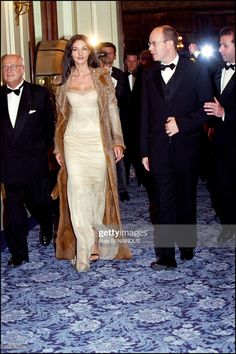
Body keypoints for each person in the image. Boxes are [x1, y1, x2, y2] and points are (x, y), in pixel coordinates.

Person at [52, 34, 132, 272]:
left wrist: (118, 141)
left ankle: (95, 241)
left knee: (97, 196)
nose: (79, 53)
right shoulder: (62, 81)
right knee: (76, 193)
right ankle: (83, 251)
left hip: (98, 143)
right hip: (73, 143)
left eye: (83, 49)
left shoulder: (102, 77)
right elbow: (59, 120)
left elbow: (112, 110)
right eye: (75, 49)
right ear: (70, 53)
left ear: (90, 53)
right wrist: (58, 147)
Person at [140, 25, 214, 270]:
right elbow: (144, 116)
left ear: (169, 44)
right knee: (163, 202)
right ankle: (165, 256)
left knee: (186, 199)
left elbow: (206, 110)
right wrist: (144, 152)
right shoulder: (148, 74)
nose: (150, 48)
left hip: (187, 148)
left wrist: (181, 123)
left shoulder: (197, 70)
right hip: (158, 149)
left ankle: (187, 245)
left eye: (153, 43)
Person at [0, 54, 55, 267]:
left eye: (13, 66)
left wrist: (43, 153)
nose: (9, 70)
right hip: (9, 163)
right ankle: (19, 252)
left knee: (38, 202)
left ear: (22, 69)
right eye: (5, 67)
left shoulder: (39, 93)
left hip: (34, 163)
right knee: (13, 210)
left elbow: (49, 128)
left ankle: (46, 223)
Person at [204, 26, 236, 242]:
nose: (220, 49)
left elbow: (224, 108)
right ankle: (228, 224)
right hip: (220, 141)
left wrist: (225, 113)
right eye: (220, 45)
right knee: (219, 185)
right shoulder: (218, 72)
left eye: (225, 45)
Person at [96, 41, 130, 202]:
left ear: (115, 56)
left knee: (118, 157)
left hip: (118, 121)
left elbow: (127, 99)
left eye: (110, 53)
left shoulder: (121, 75)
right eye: (104, 52)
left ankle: (122, 189)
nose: (108, 56)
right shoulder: (92, 74)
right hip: (97, 122)